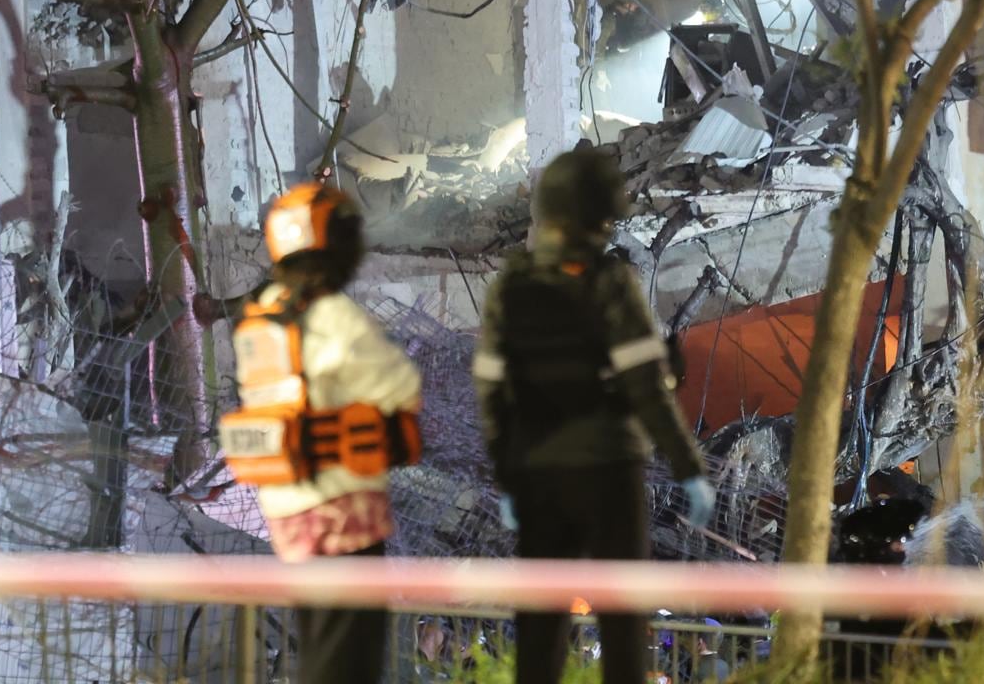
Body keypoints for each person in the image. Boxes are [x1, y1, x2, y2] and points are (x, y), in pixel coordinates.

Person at [474, 146, 717, 684]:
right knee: (621, 616)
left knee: (542, 617)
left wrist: (508, 477)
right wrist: (688, 467)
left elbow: (495, 392)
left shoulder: (511, 287)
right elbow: (646, 386)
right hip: (609, 467)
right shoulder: (609, 283)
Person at [221, 182, 422, 683]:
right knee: (348, 656)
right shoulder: (331, 315)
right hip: (341, 509)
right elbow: (401, 387)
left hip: (288, 508)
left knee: (322, 642)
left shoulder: (260, 315)